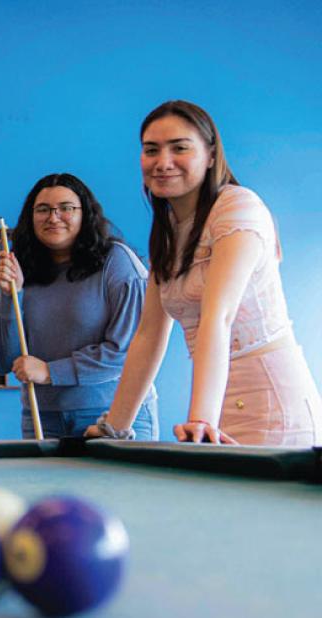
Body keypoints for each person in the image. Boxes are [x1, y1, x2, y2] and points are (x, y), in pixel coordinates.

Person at [89, 100, 321, 445]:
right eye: (151, 150)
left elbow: (220, 316)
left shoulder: (238, 207)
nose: (163, 162)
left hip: (272, 405)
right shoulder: (169, 227)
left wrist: (200, 419)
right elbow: (148, 335)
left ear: (211, 155)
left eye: (179, 148)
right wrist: (115, 428)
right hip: (219, 409)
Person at [0, 174, 157, 439]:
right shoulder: (22, 270)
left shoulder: (117, 263)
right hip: (42, 417)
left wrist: (51, 372)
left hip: (114, 414)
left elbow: (131, 352)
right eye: (42, 209)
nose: (53, 217)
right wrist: (9, 297)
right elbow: (0, 360)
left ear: (86, 214)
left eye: (66, 208)